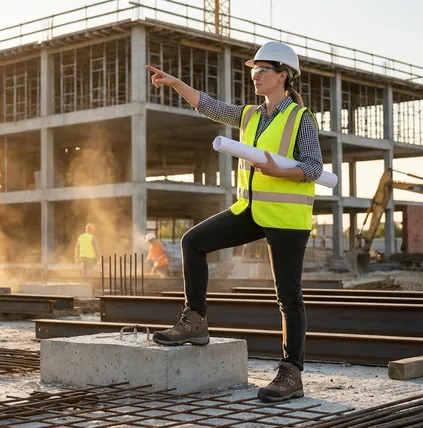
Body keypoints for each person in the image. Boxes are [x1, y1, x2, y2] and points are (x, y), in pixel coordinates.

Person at [145, 41, 324, 403]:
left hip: (287, 217)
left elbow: (314, 167)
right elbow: (210, 106)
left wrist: (279, 169)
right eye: (253, 69)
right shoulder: (250, 115)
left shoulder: (301, 118)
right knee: (193, 242)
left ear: (283, 75)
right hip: (250, 210)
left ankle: (291, 374)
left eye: (263, 69)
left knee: (288, 296)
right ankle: (195, 322)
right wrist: (176, 83)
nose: (255, 75)